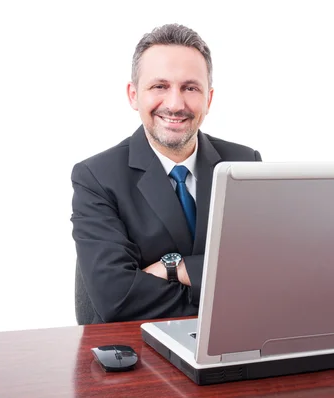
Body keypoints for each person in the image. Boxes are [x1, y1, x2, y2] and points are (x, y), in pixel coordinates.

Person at [70, 23, 262, 324]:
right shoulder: (96, 177)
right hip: (137, 353)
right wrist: (221, 291)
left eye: (190, 87)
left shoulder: (244, 164)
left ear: (208, 100)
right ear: (134, 95)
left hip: (229, 347)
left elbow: (264, 278)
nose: (175, 104)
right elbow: (116, 298)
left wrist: (175, 268)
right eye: (160, 86)